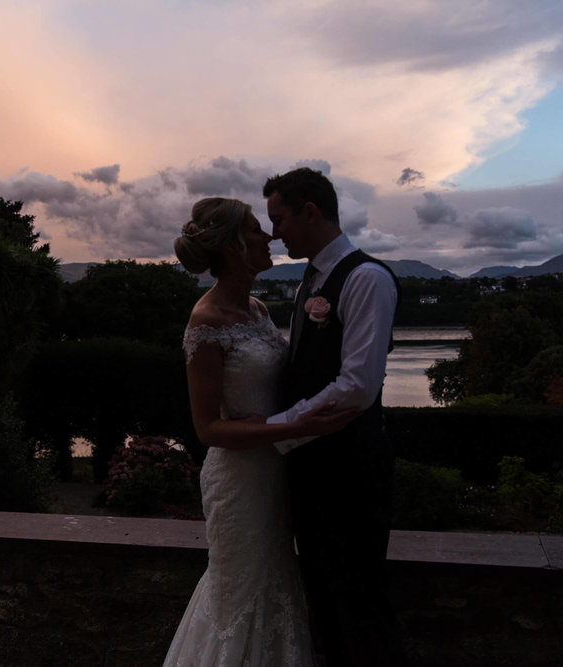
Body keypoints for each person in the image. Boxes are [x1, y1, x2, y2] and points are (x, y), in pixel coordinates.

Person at [163, 197, 360, 667]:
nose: (269, 236)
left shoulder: (256, 310)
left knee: (277, 583)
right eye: (256, 229)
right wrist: (291, 426)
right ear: (232, 246)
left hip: (275, 472)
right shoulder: (205, 322)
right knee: (239, 593)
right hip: (239, 482)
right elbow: (207, 427)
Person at [263, 167, 406, 666]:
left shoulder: (366, 278)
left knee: (358, 600)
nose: (273, 233)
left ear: (309, 212)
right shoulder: (309, 281)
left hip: (349, 468)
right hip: (311, 464)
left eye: (278, 220)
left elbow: (357, 387)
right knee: (322, 597)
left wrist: (277, 430)